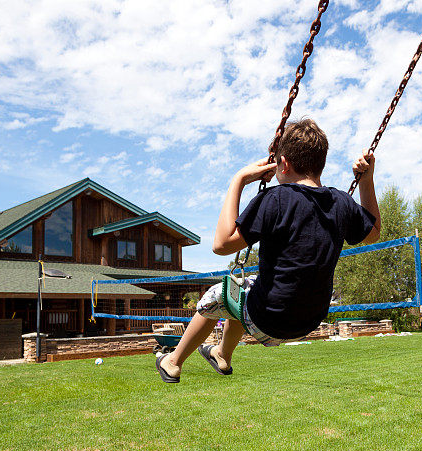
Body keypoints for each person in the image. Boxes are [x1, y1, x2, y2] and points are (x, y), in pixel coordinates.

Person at [156, 118, 380, 383]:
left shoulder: (275, 198)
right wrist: (367, 181)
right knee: (244, 289)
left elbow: (220, 245)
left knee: (218, 294)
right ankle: (222, 356)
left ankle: (172, 362)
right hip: (308, 322)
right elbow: (374, 234)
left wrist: (238, 180)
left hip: (268, 319)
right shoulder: (341, 202)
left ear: (283, 163)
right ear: (321, 163)